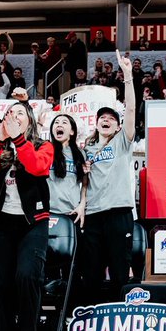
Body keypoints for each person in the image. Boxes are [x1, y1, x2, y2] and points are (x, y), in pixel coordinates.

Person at [0, 100, 54, 331]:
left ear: (29, 121)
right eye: (10, 113)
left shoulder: (43, 145)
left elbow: (36, 167)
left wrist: (19, 139)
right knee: (0, 283)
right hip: (2, 223)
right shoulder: (0, 148)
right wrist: (0, 138)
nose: (14, 116)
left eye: (20, 113)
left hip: (33, 223)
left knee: (27, 276)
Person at [82, 51, 137, 303]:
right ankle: (91, 324)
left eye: (111, 118)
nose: (106, 120)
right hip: (92, 216)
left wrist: (127, 75)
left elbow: (132, 109)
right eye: (102, 117)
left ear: (117, 126)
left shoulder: (122, 143)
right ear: (96, 124)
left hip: (118, 213)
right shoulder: (85, 150)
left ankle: (120, 322)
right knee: (91, 274)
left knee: (119, 273)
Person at [48, 113, 88, 223]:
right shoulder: (46, 150)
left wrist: (82, 205)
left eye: (64, 122)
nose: (59, 124)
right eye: (56, 122)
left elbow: (84, 184)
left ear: (72, 131)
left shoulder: (81, 154)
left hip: (72, 212)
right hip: (47, 212)